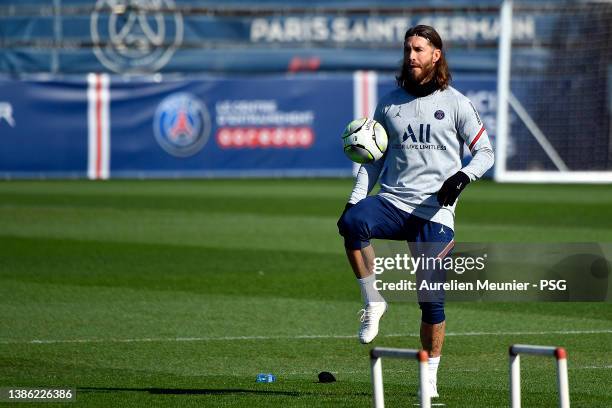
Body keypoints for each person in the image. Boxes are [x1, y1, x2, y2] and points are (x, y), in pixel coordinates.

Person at [337, 25, 494, 398]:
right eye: (408, 49)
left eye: (419, 50)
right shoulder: (389, 103)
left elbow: (485, 153)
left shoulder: (456, 102)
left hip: (435, 213)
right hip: (392, 201)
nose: (411, 56)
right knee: (351, 223)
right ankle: (372, 300)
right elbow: (373, 161)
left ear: (436, 55)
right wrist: (356, 197)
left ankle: (429, 376)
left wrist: (462, 176)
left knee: (431, 299)